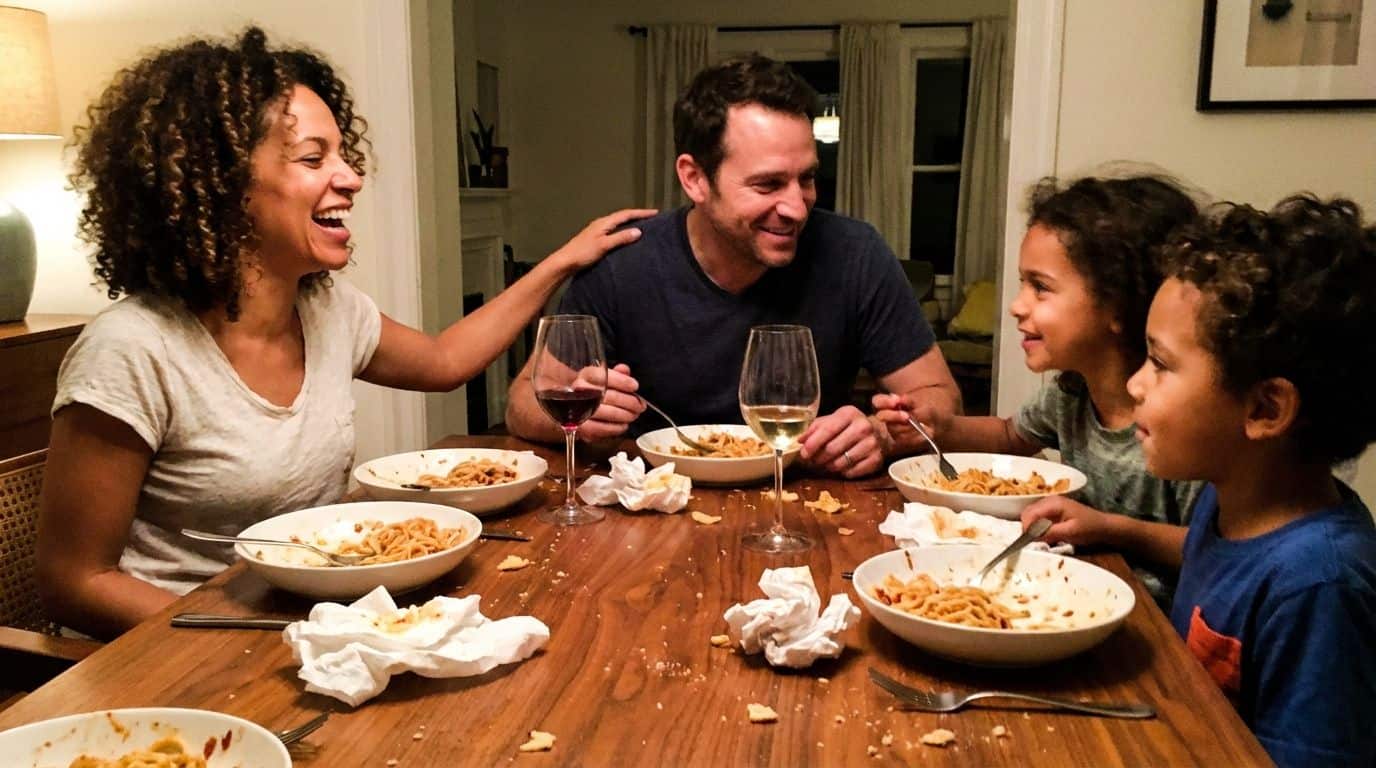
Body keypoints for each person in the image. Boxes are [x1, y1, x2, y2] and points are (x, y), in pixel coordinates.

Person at [36, 27, 652, 639]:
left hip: (310, 621)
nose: (351, 177)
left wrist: (562, 260)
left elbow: (444, 361)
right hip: (184, 651)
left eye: (342, 154)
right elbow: (74, 581)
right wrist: (246, 641)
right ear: (222, 182)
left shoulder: (328, 310)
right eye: (314, 159)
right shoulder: (133, 349)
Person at [503, 55, 960, 478]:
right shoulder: (623, 264)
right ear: (695, 179)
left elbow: (940, 396)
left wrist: (884, 432)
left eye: (806, 178)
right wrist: (580, 418)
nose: (797, 208)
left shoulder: (855, 253)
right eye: (768, 184)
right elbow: (521, 404)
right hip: (650, 499)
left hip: (807, 497)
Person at [1042, 195, 1376, 766]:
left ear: (1266, 409)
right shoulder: (1228, 506)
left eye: (1160, 364)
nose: (1135, 386)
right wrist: (1111, 530)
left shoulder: (1321, 586)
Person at [875, 175, 1204, 602]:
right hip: (1073, 593)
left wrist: (1112, 529)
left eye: (1041, 287)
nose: (1017, 306)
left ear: (1117, 305)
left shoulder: (1182, 422)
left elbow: (1217, 552)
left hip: (1152, 624)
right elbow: (1010, 435)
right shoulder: (1072, 393)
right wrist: (938, 426)